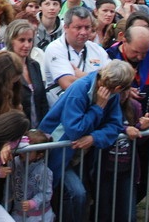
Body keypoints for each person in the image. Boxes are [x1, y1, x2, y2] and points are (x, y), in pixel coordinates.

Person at [38, 59, 134, 222]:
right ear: (118, 88)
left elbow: (115, 125)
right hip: (57, 152)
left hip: (80, 155)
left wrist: (94, 137)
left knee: (81, 197)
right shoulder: (80, 89)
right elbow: (74, 129)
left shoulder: (111, 95)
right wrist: (97, 108)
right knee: (76, 193)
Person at [43, 6, 110, 106]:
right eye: (78, 28)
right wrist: (100, 79)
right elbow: (68, 84)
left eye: (87, 27)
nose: (83, 32)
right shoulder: (55, 48)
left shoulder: (97, 49)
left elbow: (113, 79)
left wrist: (83, 75)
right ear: (65, 27)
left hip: (94, 106)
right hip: (63, 109)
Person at [5, 19, 49, 127]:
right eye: (22, 40)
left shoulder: (35, 65)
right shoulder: (4, 68)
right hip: (15, 129)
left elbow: (42, 101)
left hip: (38, 130)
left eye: (30, 40)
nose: (27, 45)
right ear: (11, 41)